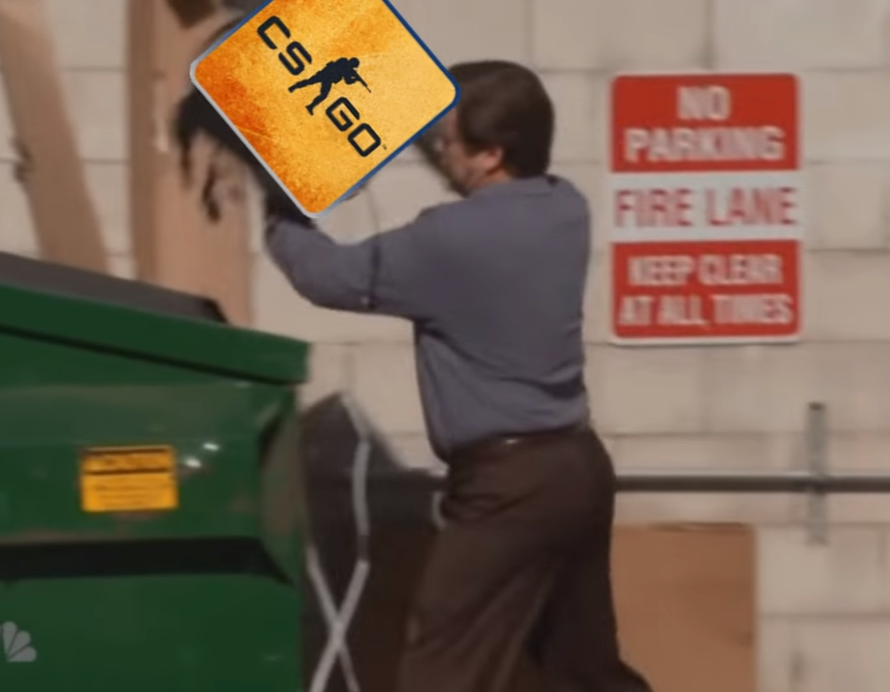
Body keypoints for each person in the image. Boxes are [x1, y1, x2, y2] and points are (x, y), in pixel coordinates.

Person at [261, 60, 655, 692]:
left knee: (443, 668)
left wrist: (278, 207)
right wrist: (390, 92)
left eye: (448, 141)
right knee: (582, 667)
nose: (439, 152)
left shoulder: (449, 240)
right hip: (577, 468)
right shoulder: (565, 207)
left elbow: (328, 277)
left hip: (508, 487)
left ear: (492, 154)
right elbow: (457, 158)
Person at [287, 56, 368, 114]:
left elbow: (347, 81)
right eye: (353, 65)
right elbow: (346, 77)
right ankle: (294, 87)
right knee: (310, 82)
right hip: (326, 75)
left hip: (328, 78)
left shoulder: (347, 68)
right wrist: (353, 76)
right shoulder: (344, 61)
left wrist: (355, 79)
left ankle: (310, 106)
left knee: (322, 93)